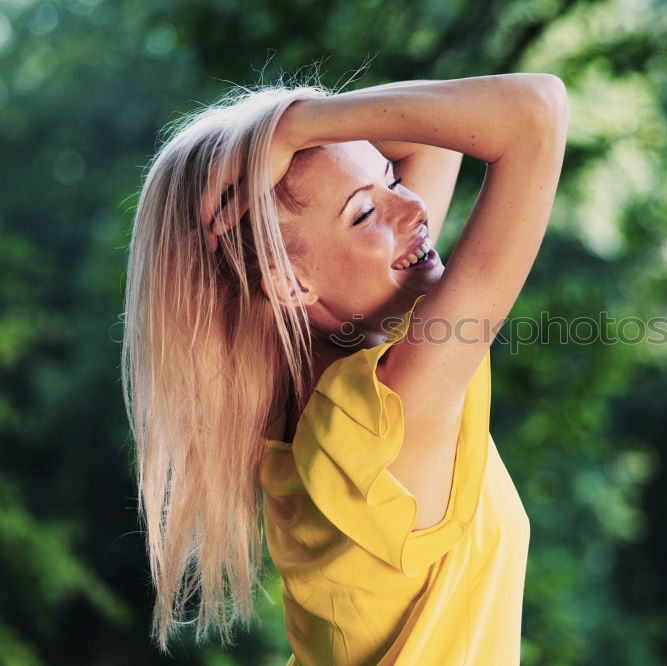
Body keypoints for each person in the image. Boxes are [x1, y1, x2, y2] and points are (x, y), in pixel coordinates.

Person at [120, 71, 569, 665]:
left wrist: (289, 140)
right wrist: (295, 125)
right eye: (363, 214)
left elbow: (427, 140)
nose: (411, 207)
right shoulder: (382, 417)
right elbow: (535, 111)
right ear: (288, 282)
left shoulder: (310, 413)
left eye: (389, 180)